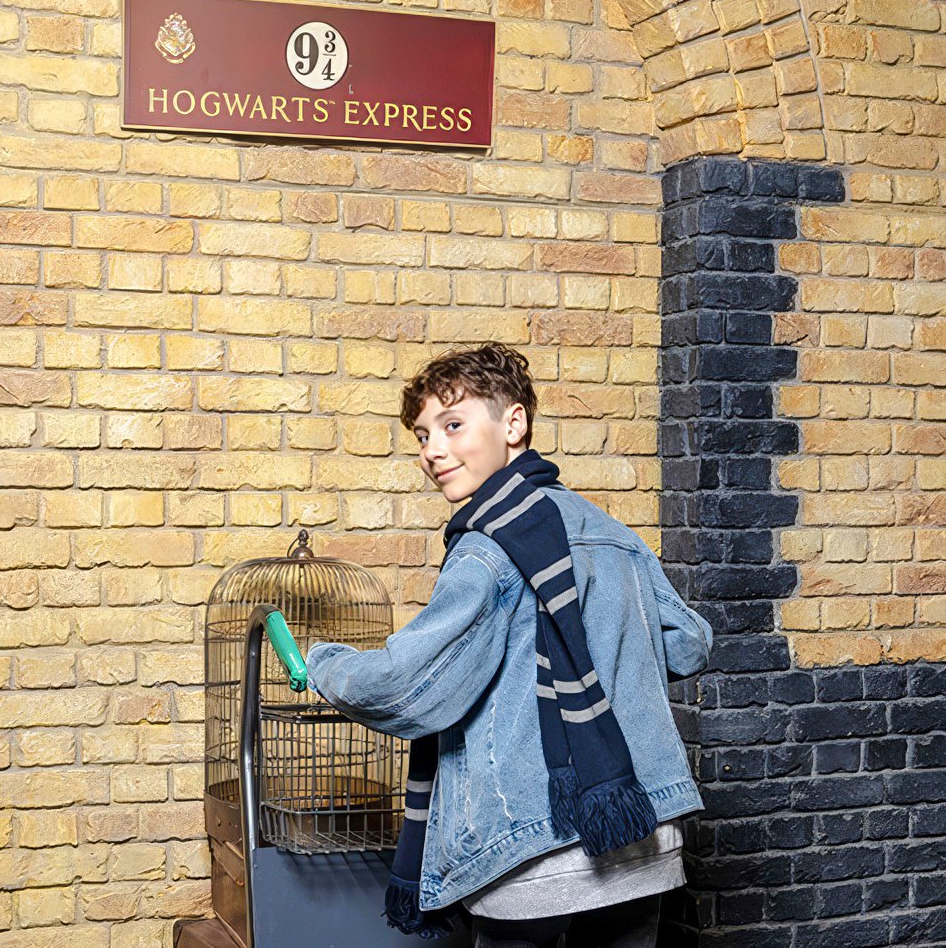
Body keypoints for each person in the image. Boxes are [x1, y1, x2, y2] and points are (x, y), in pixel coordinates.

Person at [304, 342, 714, 948]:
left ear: (513, 422)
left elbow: (409, 688)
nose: (433, 451)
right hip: (641, 831)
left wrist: (325, 663)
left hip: (532, 846)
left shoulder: (488, 547)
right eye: (422, 436)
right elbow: (687, 643)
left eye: (452, 424)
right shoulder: (610, 532)